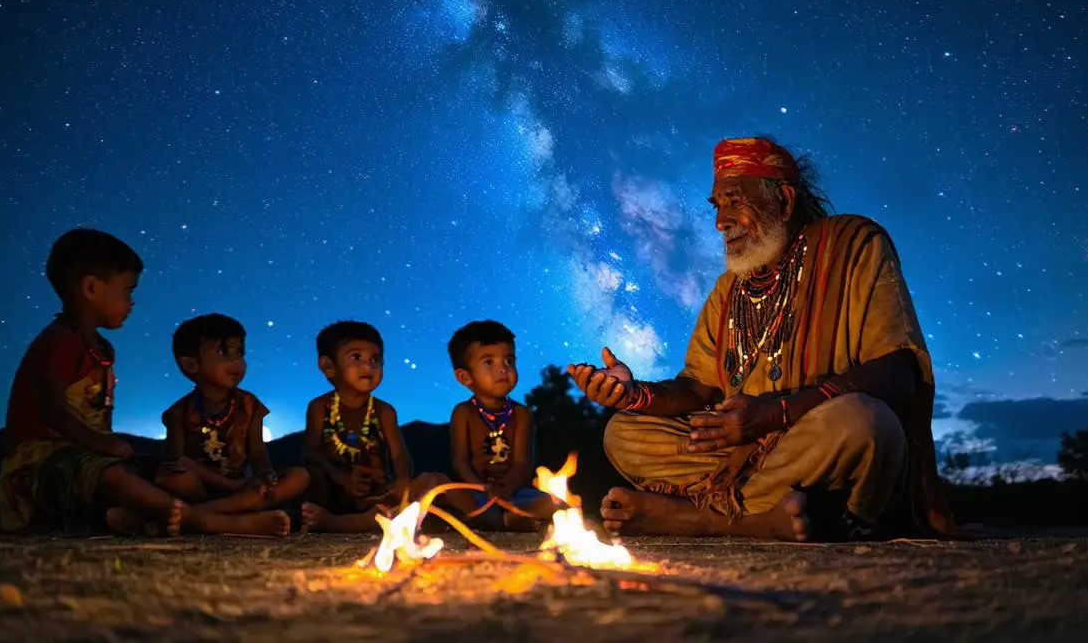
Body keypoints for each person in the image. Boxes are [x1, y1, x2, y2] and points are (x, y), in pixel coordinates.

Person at [568, 136, 969, 541]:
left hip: (816, 441)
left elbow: (899, 371)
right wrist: (635, 394)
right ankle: (766, 517)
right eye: (717, 206)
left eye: (734, 200)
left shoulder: (855, 243)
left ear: (785, 201)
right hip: (742, 453)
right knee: (623, 432)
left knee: (867, 423)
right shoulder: (729, 289)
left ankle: (704, 519)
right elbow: (697, 387)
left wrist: (776, 413)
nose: (720, 222)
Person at [0, 229, 289, 536]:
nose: (132, 302)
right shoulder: (60, 342)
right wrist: (104, 444)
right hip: (43, 462)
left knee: (171, 476)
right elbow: (52, 410)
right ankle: (210, 521)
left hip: (92, 459)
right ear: (92, 287)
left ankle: (143, 518)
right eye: (127, 291)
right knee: (116, 478)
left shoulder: (101, 349)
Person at [301, 321, 455, 532]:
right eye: (356, 357)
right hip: (335, 492)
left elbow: (399, 454)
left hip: (378, 493)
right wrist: (342, 477)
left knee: (432, 481)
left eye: (376, 360)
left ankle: (374, 519)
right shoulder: (319, 407)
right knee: (301, 477)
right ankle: (340, 521)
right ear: (328, 366)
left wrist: (402, 480)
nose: (368, 366)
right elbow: (311, 452)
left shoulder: (383, 411)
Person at [158, 313, 309, 517]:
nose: (236, 362)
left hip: (242, 485)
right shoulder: (178, 413)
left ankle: (196, 514)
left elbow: (257, 451)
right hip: (202, 488)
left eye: (239, 352)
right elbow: (178, 461)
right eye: (223, 352)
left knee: (299, 476)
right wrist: (228, 485)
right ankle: (234, 512)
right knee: (176, 479)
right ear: (191, 364)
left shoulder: (249, 405)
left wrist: (266, 474)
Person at [447, 320, 557, 531]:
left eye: (508, 361)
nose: (502, 370)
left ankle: (502, 519)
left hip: (513, 493)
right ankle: (502, 519)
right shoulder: (463, 413)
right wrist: (484, 488)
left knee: (558, 504)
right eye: (489, 362)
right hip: (476, 491)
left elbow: (522, 462)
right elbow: (460, 461)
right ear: (465, 377)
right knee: (437, 487)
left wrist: (505, 490)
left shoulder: (521, 414)